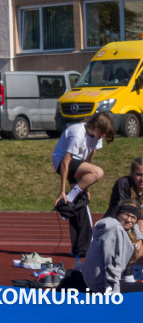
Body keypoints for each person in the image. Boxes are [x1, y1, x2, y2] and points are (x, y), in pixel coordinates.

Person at [52, 113, 116, 266]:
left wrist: (84, 185)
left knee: (81, 205)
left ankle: (78, 248)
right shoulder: (77, 134)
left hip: (77, 163)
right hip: (62, 162)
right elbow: (65, 164)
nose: (102, 137)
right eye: (102, 133)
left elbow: (88, 159)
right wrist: (63, 191)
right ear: (96, 126)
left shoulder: (96, 137)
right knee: (98, 172)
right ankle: (69, 200)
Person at [104, 157, 143, 282]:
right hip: (117, 224)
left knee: (139, 238)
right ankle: (128, 269)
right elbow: (126, 216)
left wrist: (140, 238)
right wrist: (139, 238)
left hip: (134, 223)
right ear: (132, 173)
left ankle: (137, 268)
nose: (142, 179)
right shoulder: (123, 183)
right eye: (139, 174)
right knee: (134, 240)